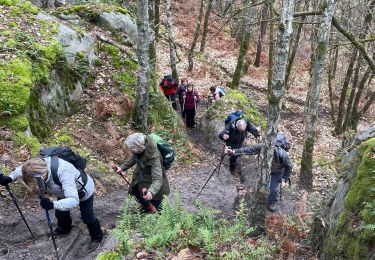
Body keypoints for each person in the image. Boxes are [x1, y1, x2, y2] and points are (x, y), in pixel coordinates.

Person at [0, 157, 104, 252]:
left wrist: (52, 204)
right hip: (62, 191)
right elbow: (25, 169)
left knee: (88, 217)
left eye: (35, 183)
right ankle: (64, 229)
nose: (35, 186)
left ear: (40, 177)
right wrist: (11, 177)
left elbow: (73, 200)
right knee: (60, 213)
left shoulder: (63, 171)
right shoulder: (38, 164)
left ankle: (97, 238)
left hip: (83, 191)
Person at [225, 143, 293, 212]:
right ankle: (259, 197)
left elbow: (289, 167)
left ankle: (272, 202)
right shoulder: (261, 147)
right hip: (264, 169)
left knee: (273, 188)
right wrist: (234, 151)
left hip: (277, 172)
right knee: (261, 184)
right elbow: (248, 150)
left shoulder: (282, 154)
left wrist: (284, 179)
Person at [113, 133, 170, 212]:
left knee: (159, 205)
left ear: (139, 148)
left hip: (154, 185)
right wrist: (122, 167)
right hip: (141, 179)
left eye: (132, 150)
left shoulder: (154, 158)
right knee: (137, 192)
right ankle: (147, 208)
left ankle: (165, 220)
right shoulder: (141, 149)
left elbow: (157, 179)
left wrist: (151, 192)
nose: (131, 151)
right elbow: (134, 158)